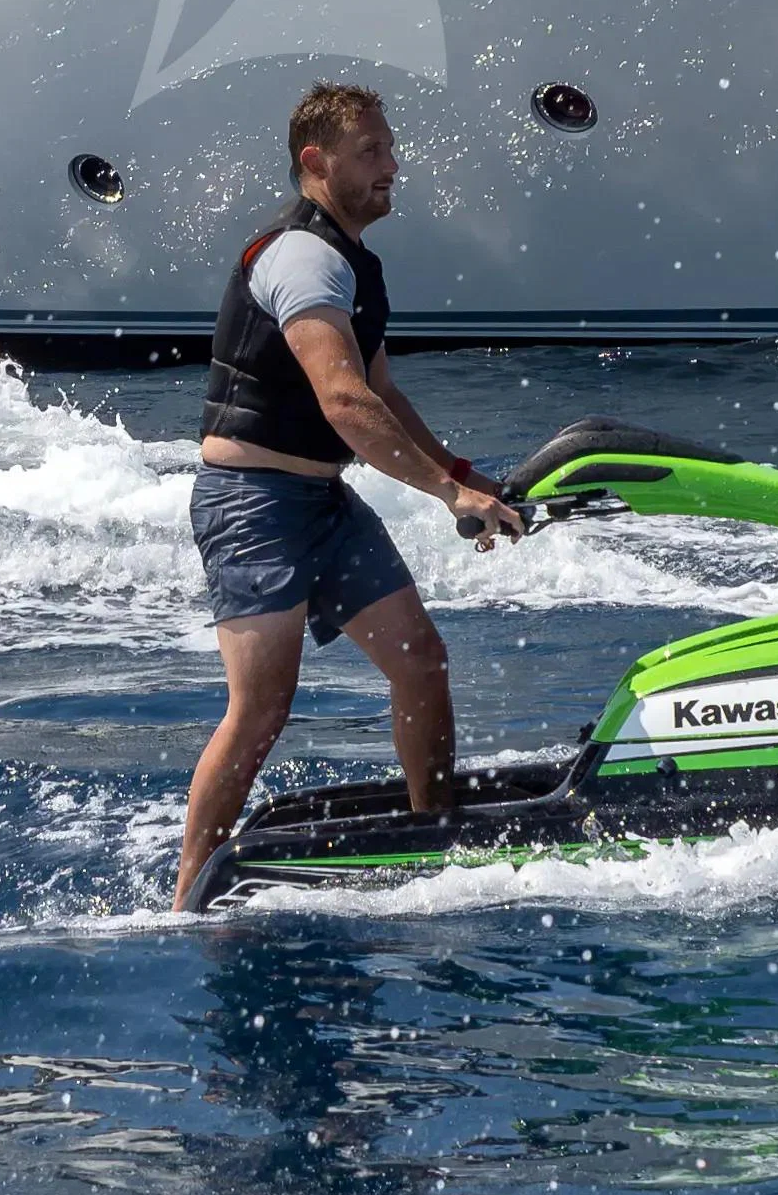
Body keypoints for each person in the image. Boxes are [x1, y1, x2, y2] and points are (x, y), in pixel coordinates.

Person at [173, 83, 526, 911]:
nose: (391, 165)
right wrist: (445, 493)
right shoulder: (300, 256)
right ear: (315, 161)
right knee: (261, 708)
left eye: (389, 147)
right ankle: (185, 899)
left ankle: (433, 835)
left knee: (421, 660)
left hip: (323, 504)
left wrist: (461, 471)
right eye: (371, 151)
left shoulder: (353, 262)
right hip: (252, 506)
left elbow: (381, 392)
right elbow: (343, 403)